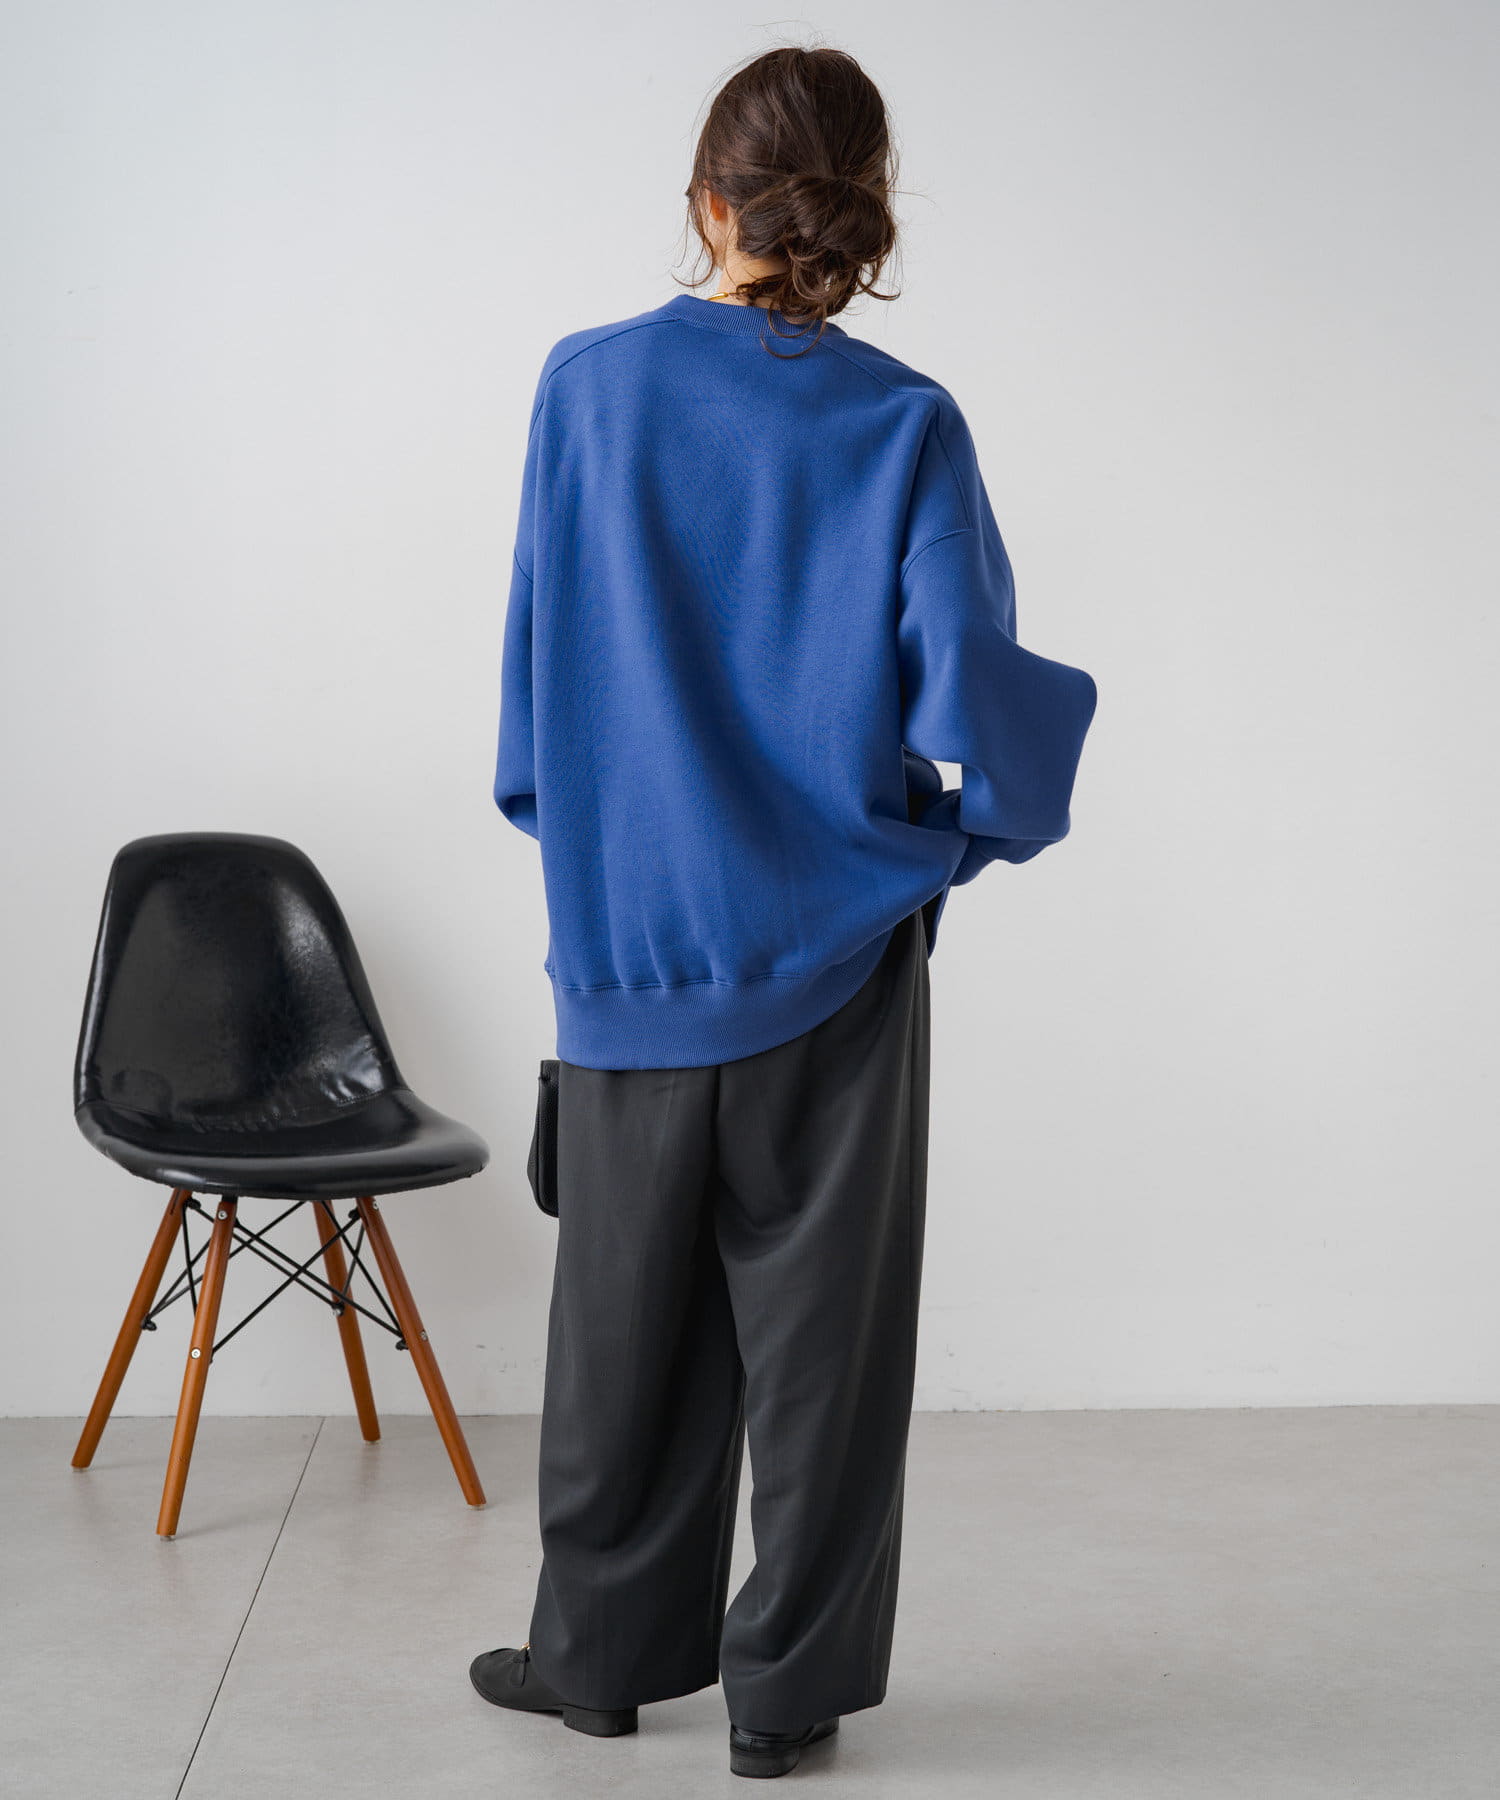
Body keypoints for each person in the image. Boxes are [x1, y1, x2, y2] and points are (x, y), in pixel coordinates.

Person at [471, 42, 1099, 1781]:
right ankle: (786, 1699)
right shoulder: (905, 422)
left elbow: (535, 697)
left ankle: (599, 1662)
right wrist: (958, 844)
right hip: (834, 963)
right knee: (825, 1355)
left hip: (628, 956)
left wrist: (605, 858)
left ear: (708, 204)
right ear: (867, 212)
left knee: (619, 1332)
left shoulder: (585, 389)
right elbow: (976, 703)